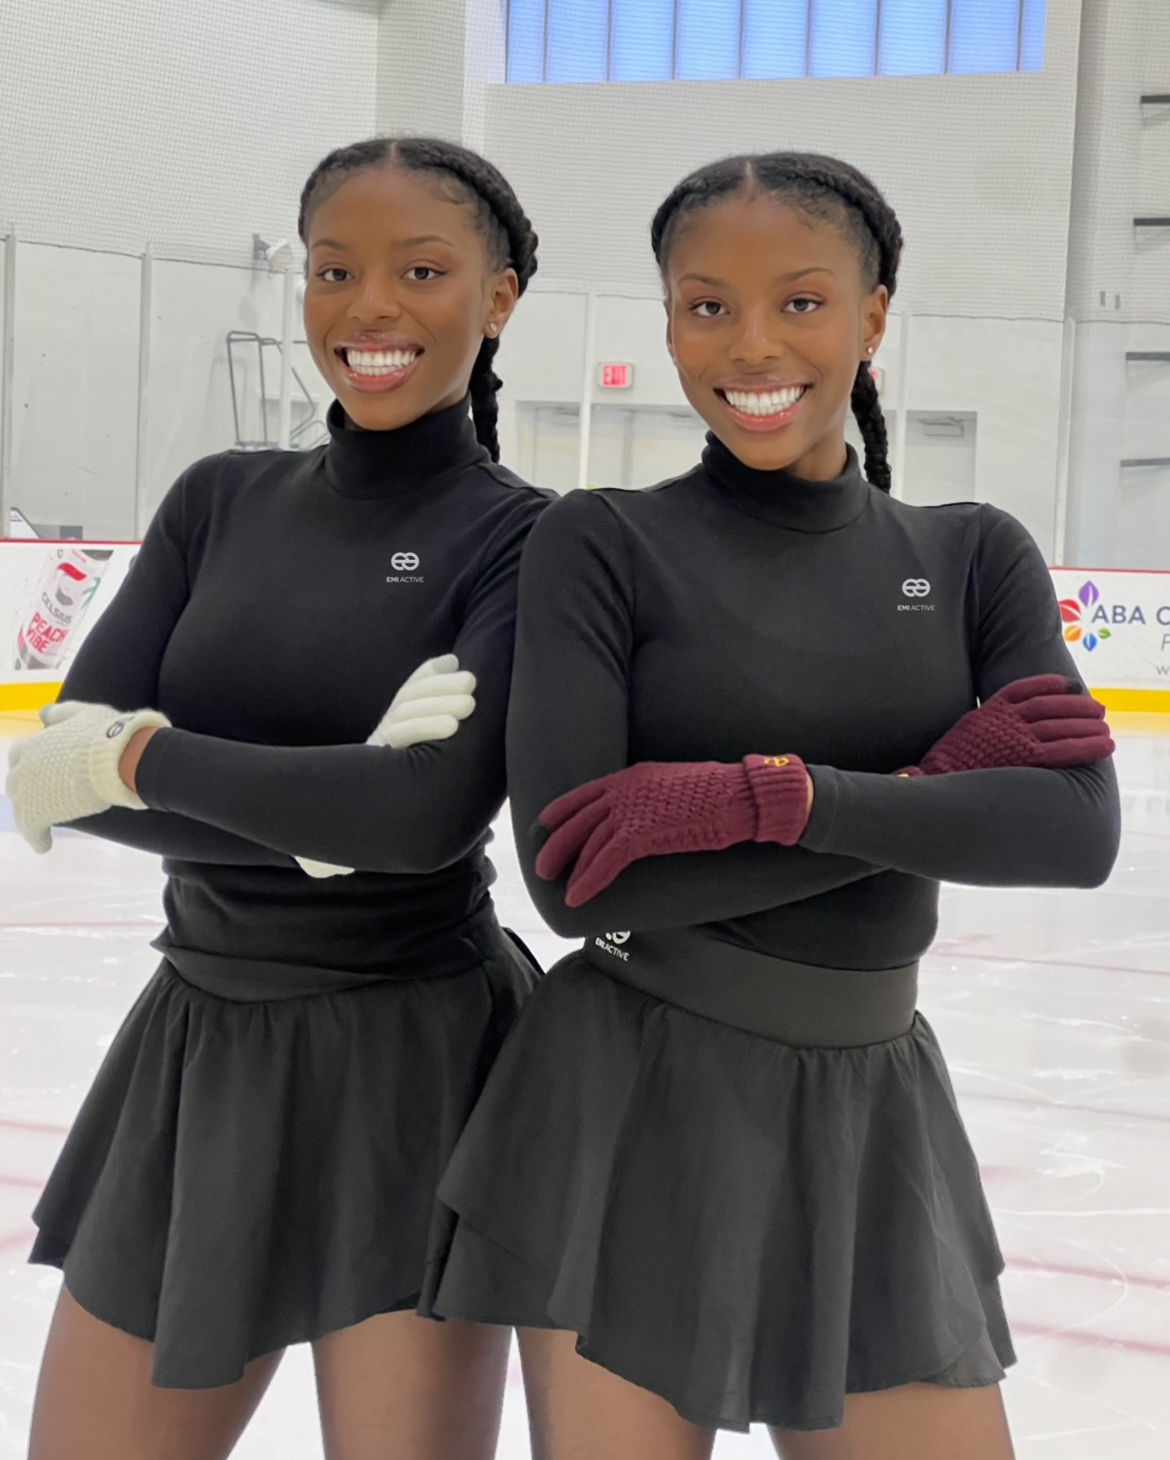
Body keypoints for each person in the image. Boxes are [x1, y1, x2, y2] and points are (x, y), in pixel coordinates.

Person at [425, 152, 1120, 1460]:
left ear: (870, 316)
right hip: (624, 1103)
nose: (750, 344)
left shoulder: (971, 555)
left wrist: (763, 801)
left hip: (869, 1117)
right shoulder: (600, 540)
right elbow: (575, 882)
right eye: (705, 306)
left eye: (799, 303)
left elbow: (1071, 835)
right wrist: (923, 791)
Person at [6, 136, 547, 1460]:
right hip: (202, 1044)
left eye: (421, 270)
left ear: (502, 294)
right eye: (332, 269)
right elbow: (48, 771)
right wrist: (323, 817)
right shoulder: (219, 502)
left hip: (414, 1063)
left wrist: (139, 757)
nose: (370, 308)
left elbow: (421, 822)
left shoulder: (531, 536)